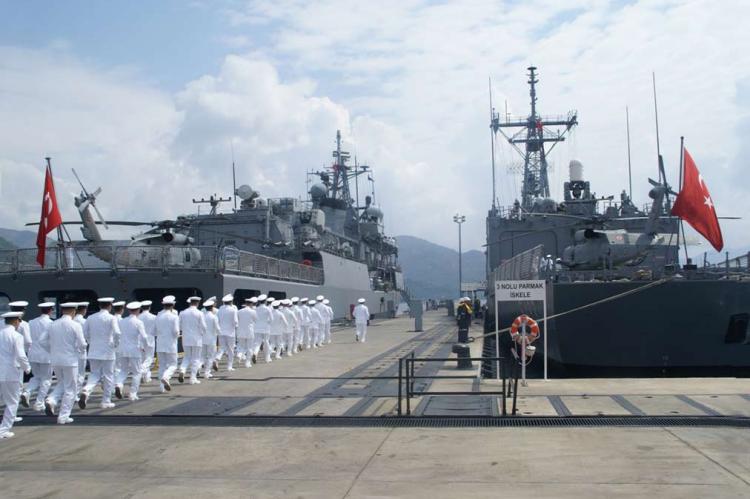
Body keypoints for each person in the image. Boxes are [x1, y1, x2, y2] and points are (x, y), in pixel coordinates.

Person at [41, 302, 86, 424]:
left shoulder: (52, 324)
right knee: (71, 388)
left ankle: (51, 400)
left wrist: (51, 350)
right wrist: (79, 351)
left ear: (62, 311)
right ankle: (63, 416)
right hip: (70, 360)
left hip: (55, 360)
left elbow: (41, 341)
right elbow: (82, 344)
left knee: (62, 383)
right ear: (74, 311)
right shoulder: (75, 325)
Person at [79, 297, 121, 409]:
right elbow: (117, 333)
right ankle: (106, 400)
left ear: (99, 306)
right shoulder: (112, 318)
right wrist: (115, 344)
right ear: (110, 306)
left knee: (94, 374)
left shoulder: (90, 317)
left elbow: (84, 333)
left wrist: (90, 341)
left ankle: (86, 390)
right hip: (108, 351)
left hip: (93, 350)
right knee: (108, 376)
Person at [0, 311, 31, 439]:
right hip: (11, 372)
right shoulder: (16, 336)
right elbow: (21, 355)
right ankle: (3, 430)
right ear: (16, 321)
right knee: (12, 402)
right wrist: (27, 368)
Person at [20, 302, 54, 411]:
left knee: (36, 377)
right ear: (51, 310)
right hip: (46, 355)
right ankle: (39, 403)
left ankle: (27, 392)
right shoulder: (51, 323)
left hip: (33, 354)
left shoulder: (31, 322)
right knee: (46, 379)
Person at [114, 302, 148, 401]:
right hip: (134, 350)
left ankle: (118, 385)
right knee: (137, 372)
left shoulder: (122, 321)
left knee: (123, 370)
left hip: (122, 349)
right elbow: (144, 337)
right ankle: (133, 394)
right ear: (138, 310)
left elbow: (117, 334)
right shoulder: (138, 322)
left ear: (129, 310)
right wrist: (144, 346)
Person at [179, 296, 206, 384]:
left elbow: (179, 326)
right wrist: (202, 333)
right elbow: (204, 327)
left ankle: (182, 370)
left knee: (187, 356)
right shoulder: (199, 313)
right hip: (196, 339)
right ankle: (192, 378)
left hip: (186, 338)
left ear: (190, 303)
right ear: (197, 303)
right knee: (196, 358)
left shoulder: (182, 313)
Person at [155, 295, 180, 392]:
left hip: (160, 344)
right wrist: (177, 335)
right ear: (172, 305)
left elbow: (154, 331)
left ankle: (162, 388)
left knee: (162, 365)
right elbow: (176, 332)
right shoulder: (174, 317)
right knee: (173, 365)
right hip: (171, 344)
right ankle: (166, 377)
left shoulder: (158, 316)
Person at [216, 294, 238, 371]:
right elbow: (235, 322)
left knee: (222, 347)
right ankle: (229, 366)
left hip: (221, 332)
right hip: (230, 332)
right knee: (231, 350)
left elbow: (217, 320)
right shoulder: (233, 310)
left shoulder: (220, 309)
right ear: (231, 301)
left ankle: (217, 358)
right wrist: (235, 327)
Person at [73, 302, 89, 398]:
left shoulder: (72, 320)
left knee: (73, 374)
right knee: (81, 374)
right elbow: (87, 335)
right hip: (81, 350)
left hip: (71, 350)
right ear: (84, 310)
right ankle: (76, 394)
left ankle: (72, 393)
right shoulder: (84, 321)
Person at [139, 301, 157, 383]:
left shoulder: (138, 317)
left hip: (140, 339)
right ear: (149, 307)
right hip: (150, 339)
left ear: (141, 308)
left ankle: (146, 377)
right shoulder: (154, 317)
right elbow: (156, 330)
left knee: (143, 359)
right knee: (149, 358)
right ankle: (141, 371)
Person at [237, 297, 257, 368]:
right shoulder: (253, 311)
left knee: (241, 346)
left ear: (246, 303)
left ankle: (239, 355)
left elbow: (237, 320)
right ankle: (247, 363)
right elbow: (255, 320)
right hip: (249, 331)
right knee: (249, 348)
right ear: (251, 304)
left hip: (241, 331)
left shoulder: (239, 311)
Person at [202, 299, 219, 379]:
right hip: (211, 339)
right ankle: (207, 373)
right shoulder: (213, 317)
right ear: (212, 307)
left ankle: (198, 368)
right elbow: (217, 328)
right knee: (210, 356)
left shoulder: (202, 316)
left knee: (202, 356)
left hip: (202, 339)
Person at [254, 295, 272, 363]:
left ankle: (255, 352)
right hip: (266, 328)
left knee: (257, 343)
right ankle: (267, 358)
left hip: (257, 328)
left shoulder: (256, 309)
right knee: (266, 342)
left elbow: (255, 318)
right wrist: (267, 323)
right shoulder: (268, 309)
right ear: (265, 301)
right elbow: (271, 319)